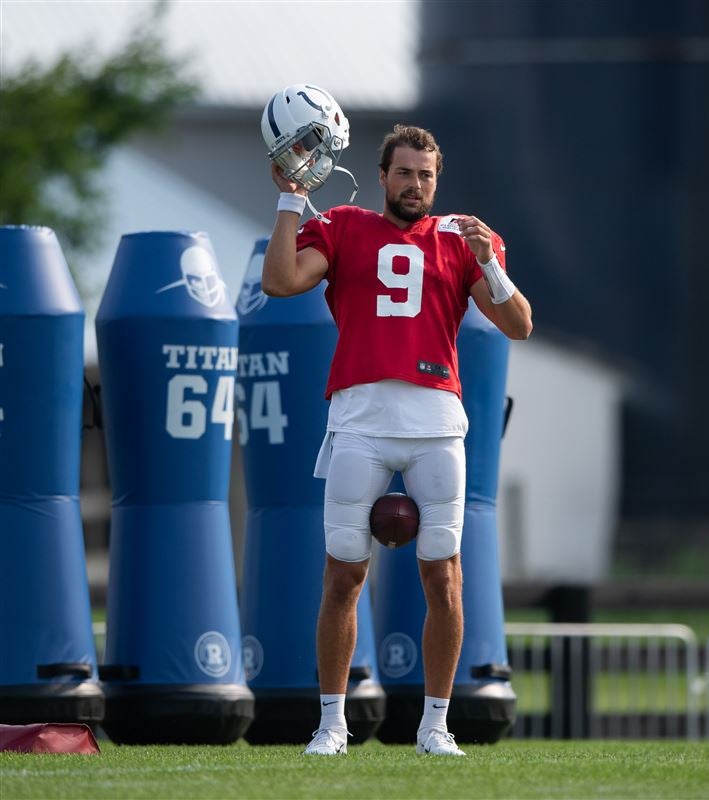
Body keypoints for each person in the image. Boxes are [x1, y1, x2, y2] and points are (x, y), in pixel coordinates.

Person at [263, 124, 533, 757]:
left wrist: (489, 262)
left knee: (444, 580)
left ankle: (435, 726)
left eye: (427, 175)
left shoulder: (463, 239)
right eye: (406, 172)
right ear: (383, 175)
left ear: (438, 181)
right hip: (358, 417)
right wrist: (288, 200)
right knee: (342, 577)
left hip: (438, 423)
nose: (416, 185)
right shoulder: (345, 226)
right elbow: (280, 282)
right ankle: (332, 724)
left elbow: (519, 325)